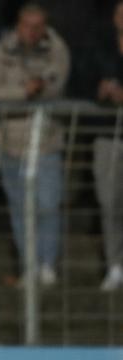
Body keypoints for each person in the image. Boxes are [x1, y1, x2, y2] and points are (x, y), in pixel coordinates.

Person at [0, 3, 70, 287]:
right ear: (18, 25)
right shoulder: (0, 52)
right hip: (11, 144)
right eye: (27, 26)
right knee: (20, 210)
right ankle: (29, 267)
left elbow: (57, 85)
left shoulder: (57, 49)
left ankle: (47, 267)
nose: (32, 32)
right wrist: (24, 92)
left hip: (46, 142)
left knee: (48, 205)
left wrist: (38, 90)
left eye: (38, 26)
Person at [91, 0, 123, 292]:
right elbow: (78, 82)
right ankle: (115, 266)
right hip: (107, 136)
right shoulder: (100, 47)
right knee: (110, 203)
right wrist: (100, 90)